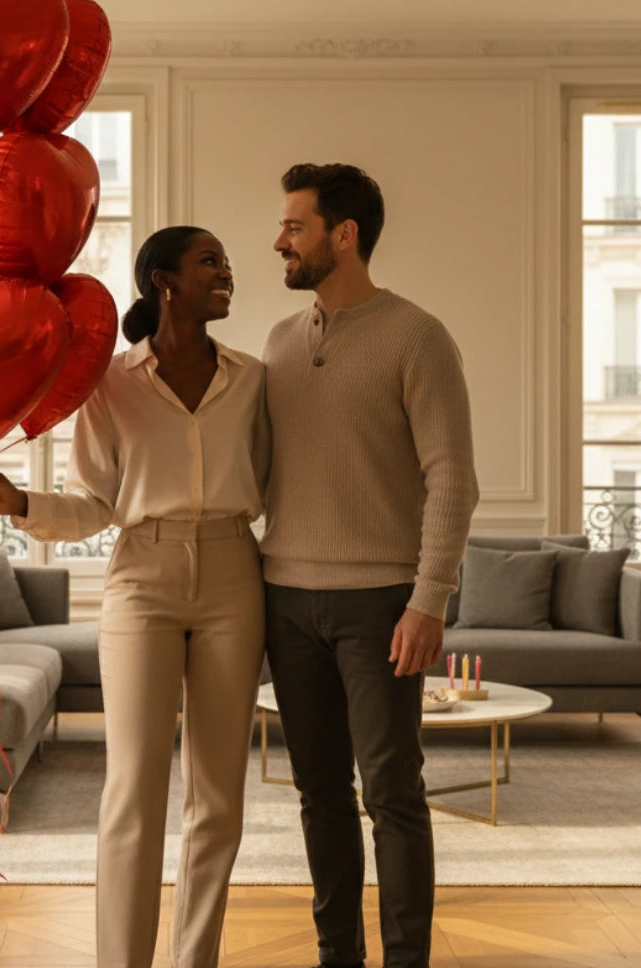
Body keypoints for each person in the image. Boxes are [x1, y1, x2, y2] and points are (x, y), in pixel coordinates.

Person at [0, 226, 269, 968]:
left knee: (219, 799)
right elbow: (95, 504)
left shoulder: (254, 377)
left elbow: (274, 483)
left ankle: (194, 960)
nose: (227, 272)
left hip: (235, 574)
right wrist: (19, 502)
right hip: (141, 579)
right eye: (210, 262)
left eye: (226, 263)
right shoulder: (111, 385)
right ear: (163, 281)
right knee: (133, 789)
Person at [261, 163, 479, 968]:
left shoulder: (417, 337)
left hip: (380, 607)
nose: (278, 240)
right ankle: (336, 958)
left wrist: (429, 601)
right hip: (284, 601)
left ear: (342, 235)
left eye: (294, 226)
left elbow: (452, 476)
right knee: (319, 797)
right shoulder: (281, 341)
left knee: (391, 794)